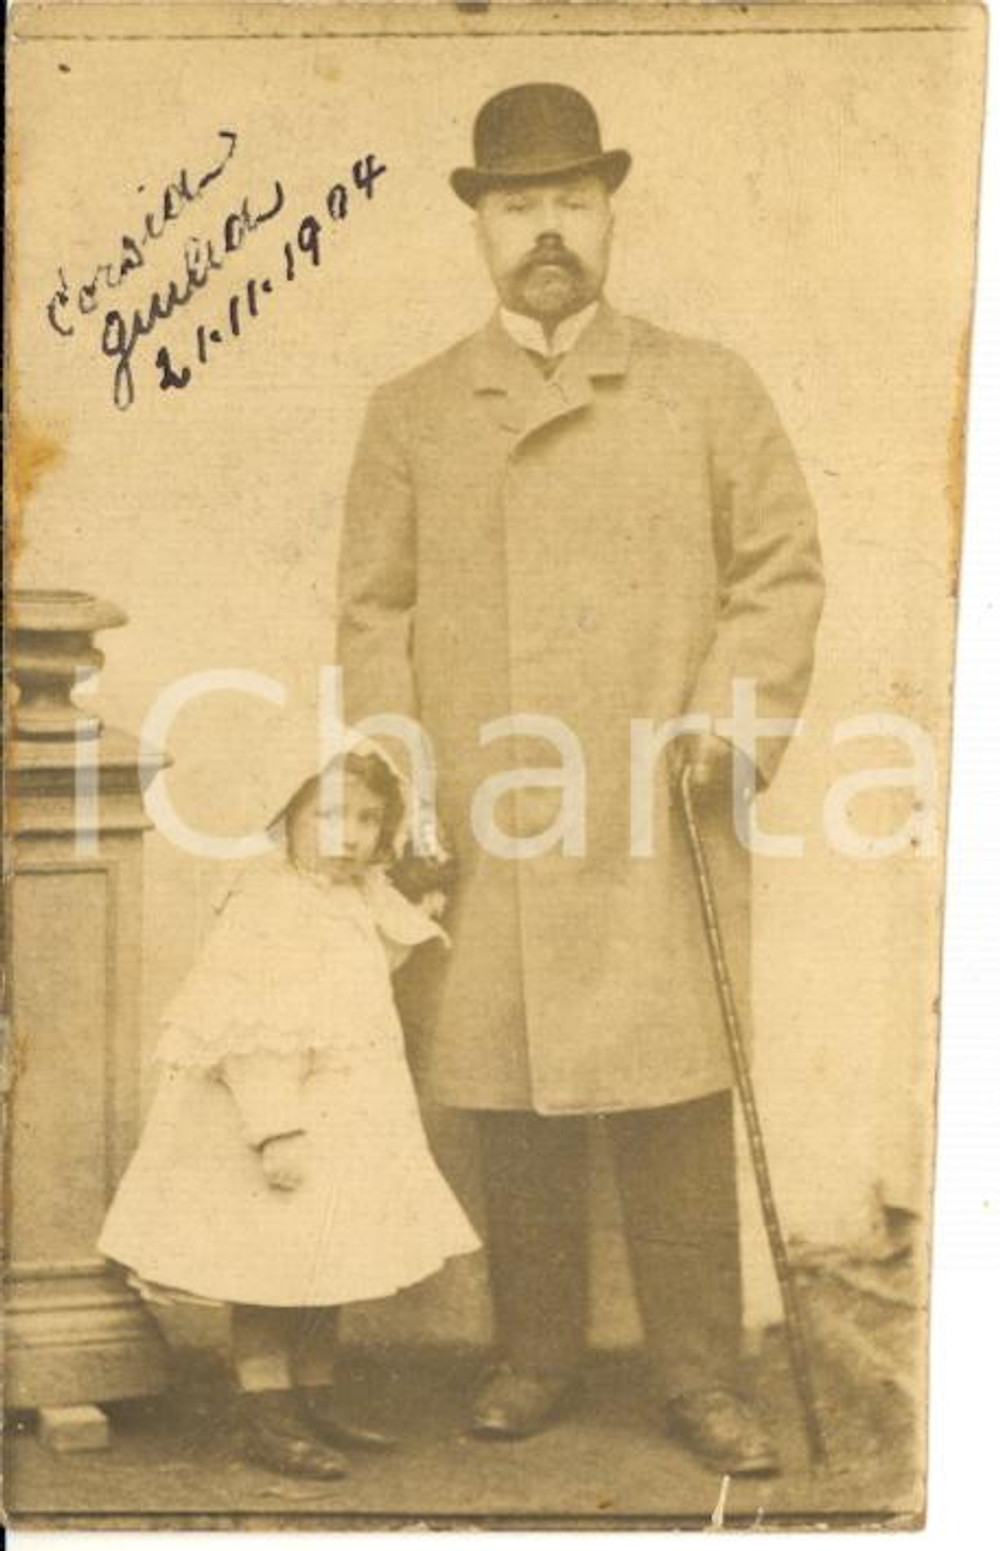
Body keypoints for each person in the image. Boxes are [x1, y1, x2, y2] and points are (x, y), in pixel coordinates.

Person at [337, 82, 824, 1475]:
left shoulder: (707, 385)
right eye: (516, 206)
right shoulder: (414, 410)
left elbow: (778, 570)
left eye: (571, 201)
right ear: (479, 228)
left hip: (656, 801)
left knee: (673, 1090)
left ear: (608, 213)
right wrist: (398, 774)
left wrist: (729, 720)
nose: (546, 230)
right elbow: (371, 615)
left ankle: (702, 1378)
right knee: (508, 1090)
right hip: (483, 813)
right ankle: (533, 1356)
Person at [98, 740, 480, 1479]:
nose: (350, 834)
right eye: (330, 814)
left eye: (369, 818)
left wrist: (425, 890)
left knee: (325, 1260)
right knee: (271, 1271)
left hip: (347, 1114)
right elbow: (246, 1028)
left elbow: (391, 948)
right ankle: (265, 1411)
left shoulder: (356, 891)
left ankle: (315, 1395)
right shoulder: (265, 901)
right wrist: (274, 1127)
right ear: (289, 817)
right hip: (279, 1120)